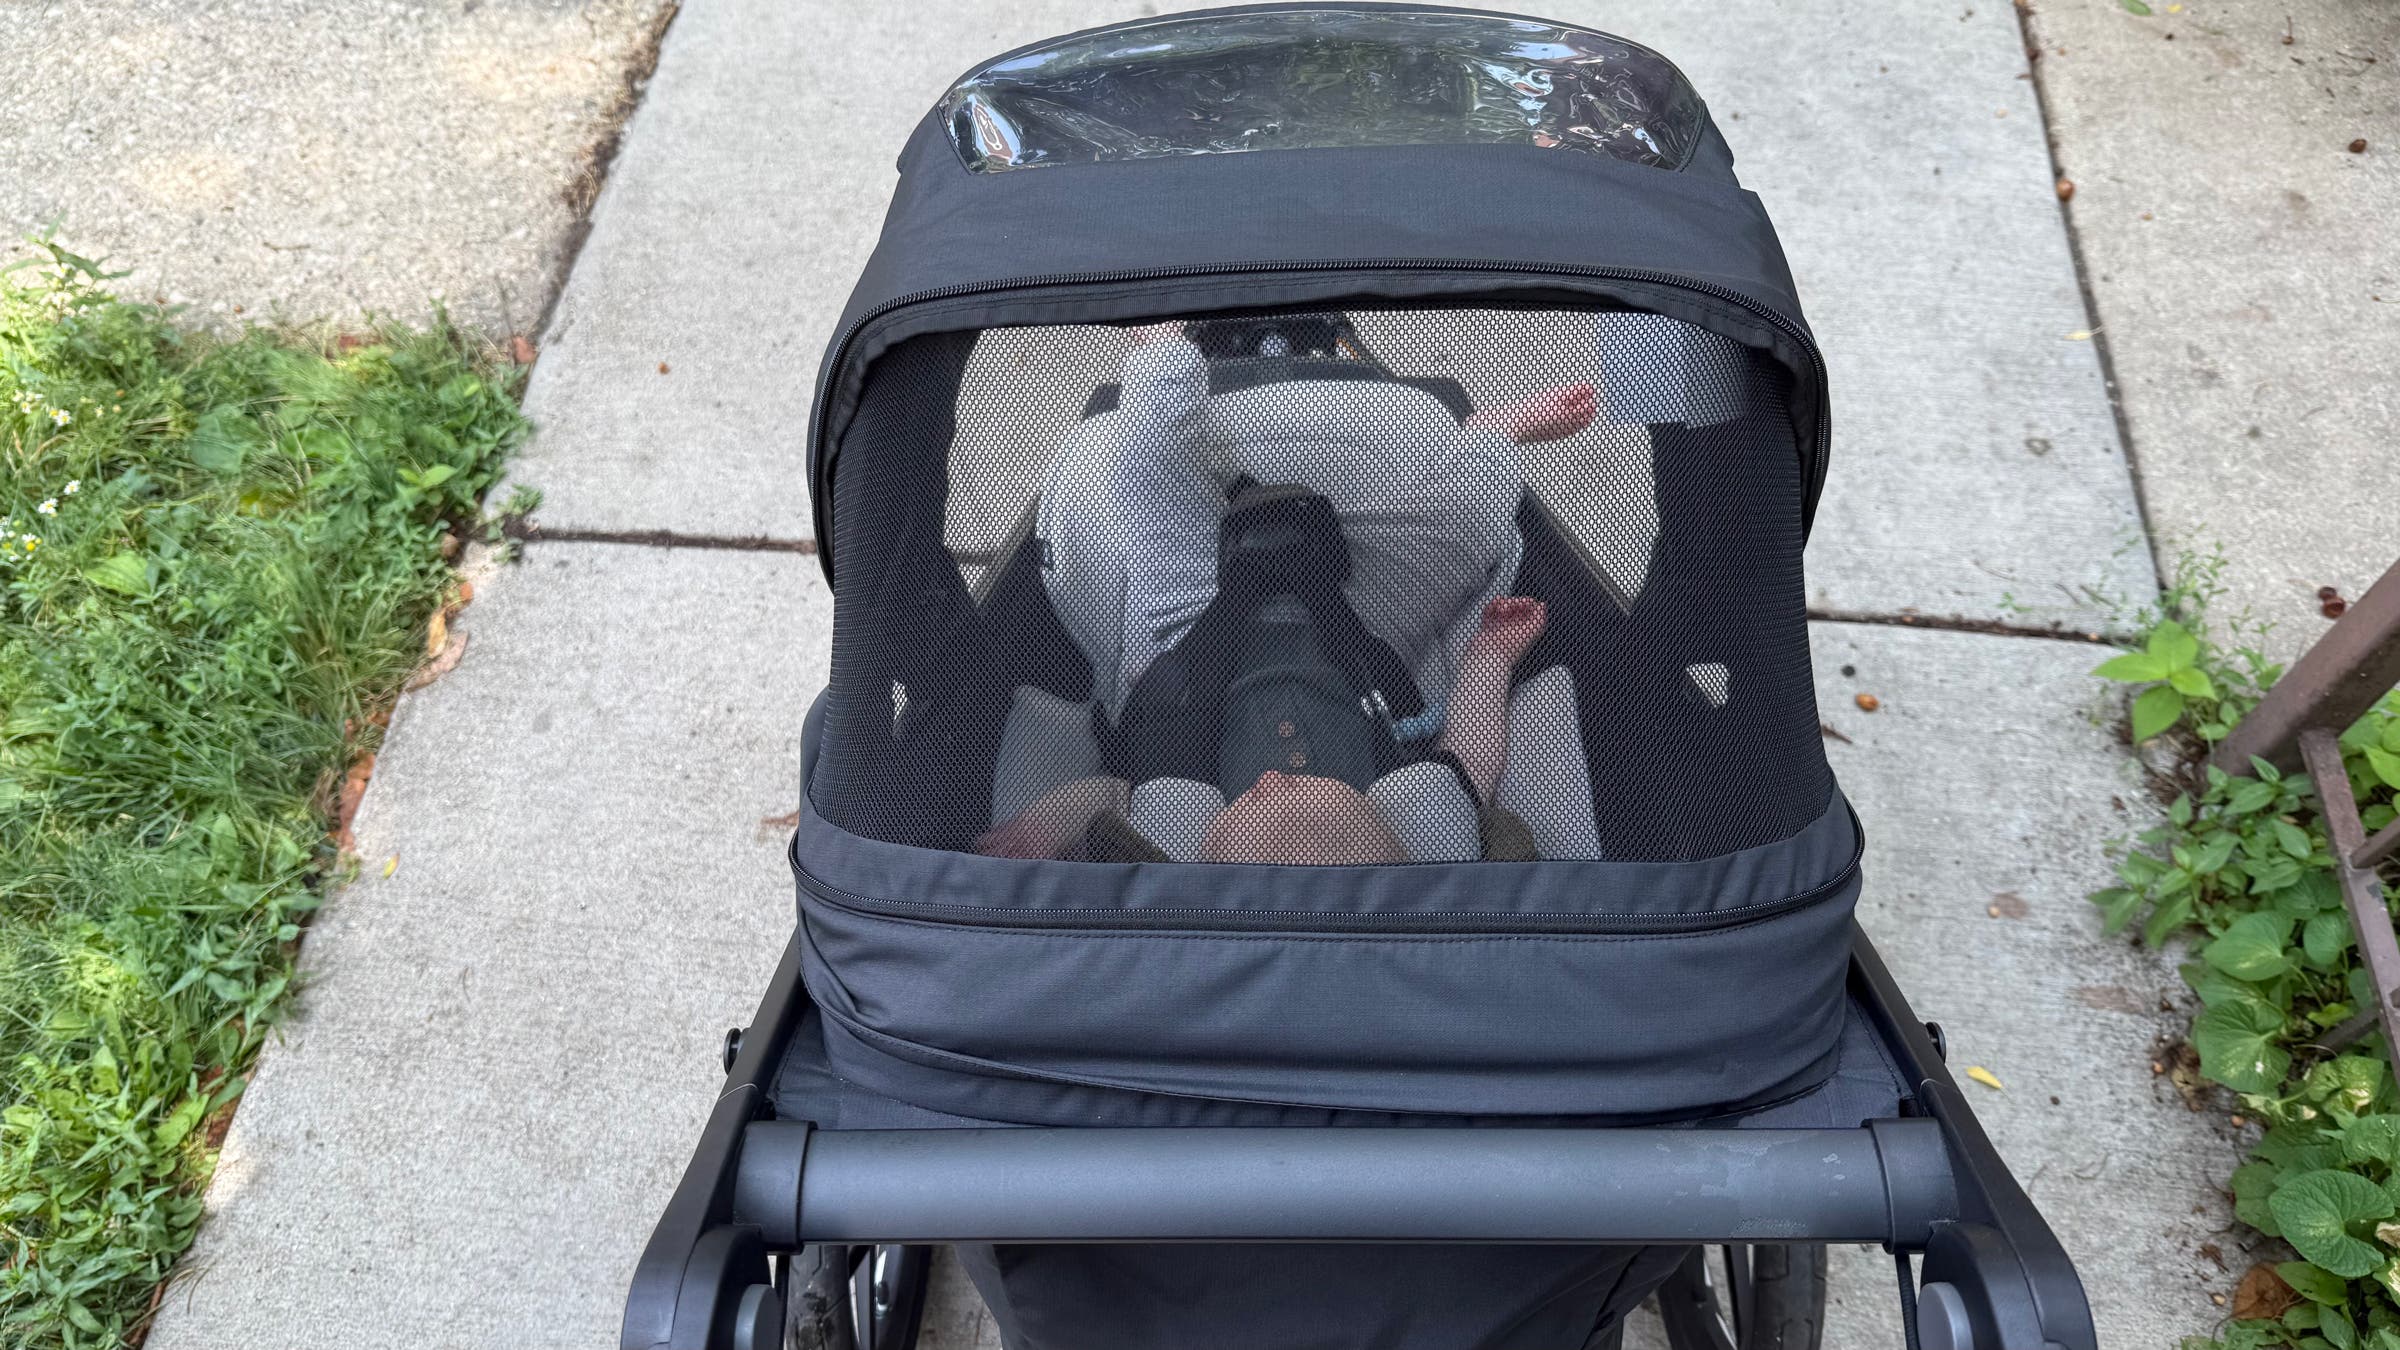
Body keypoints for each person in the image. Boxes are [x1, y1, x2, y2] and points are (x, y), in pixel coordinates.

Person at [979, 594, 1549, 863]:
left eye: (1259, 795)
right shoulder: (1420, 819)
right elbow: (1469, 755)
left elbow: (1109, 794)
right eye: (1302, 788)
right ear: (1380, 813)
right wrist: (1491, 658)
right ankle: (1490, 435)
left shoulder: (1179, 821)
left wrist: (1044, 823)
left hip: (1198, 655)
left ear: (1209, 834)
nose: (1274, 778)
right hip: (1350, 642)